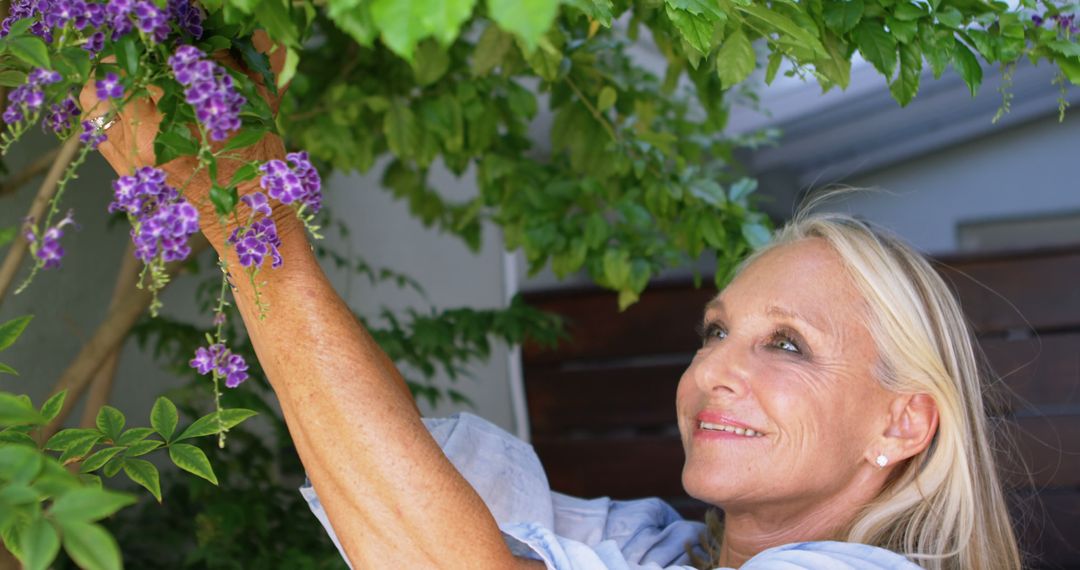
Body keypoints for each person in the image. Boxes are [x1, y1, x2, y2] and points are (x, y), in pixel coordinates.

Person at [81, 47, 1023, 570]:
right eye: (716, 331)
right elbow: (409, 503)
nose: (714, 370)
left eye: (787, 343)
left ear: (903, 423)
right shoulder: (651, 550)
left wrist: (245, 217)